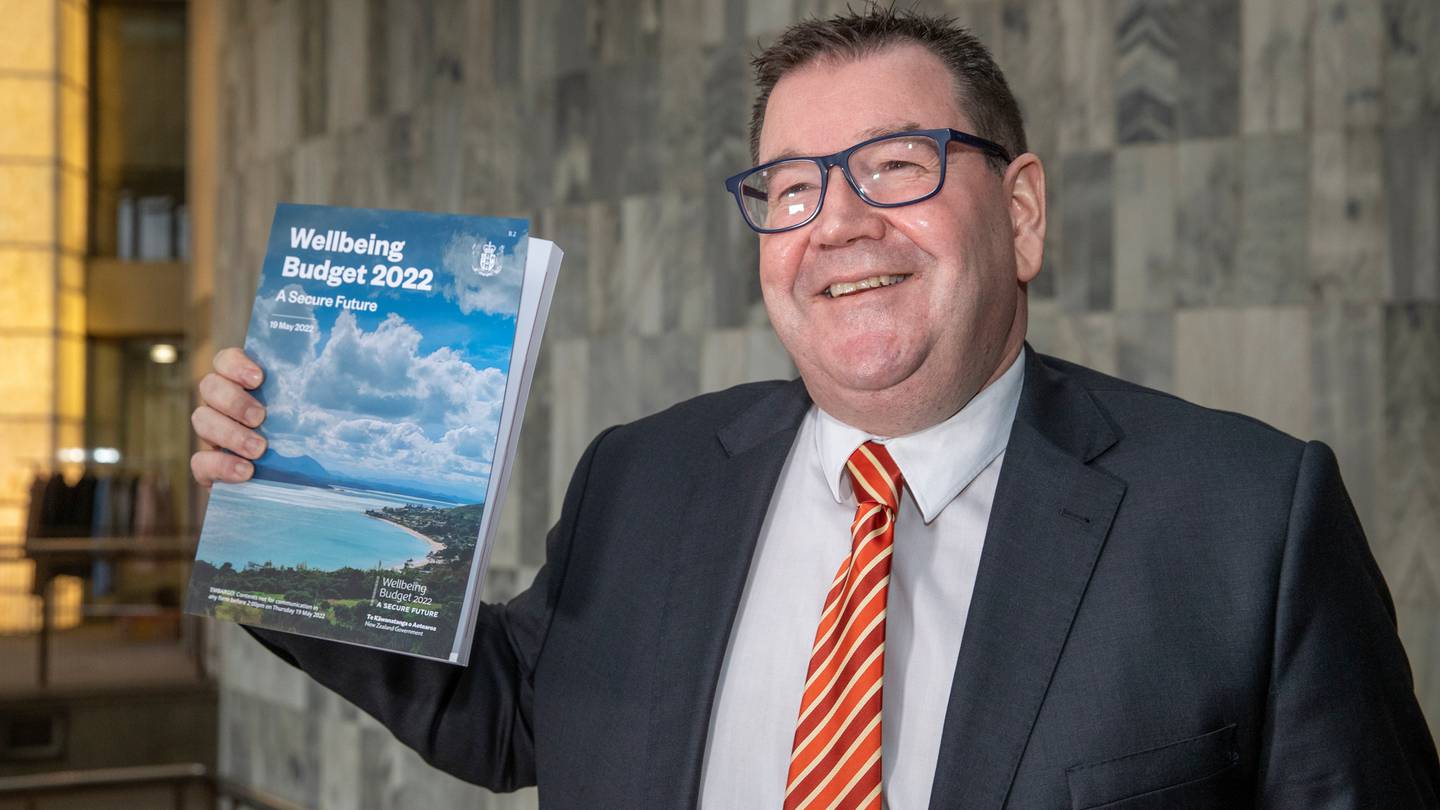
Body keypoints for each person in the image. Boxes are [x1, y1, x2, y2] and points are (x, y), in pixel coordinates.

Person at [190, 8, 1440, 808]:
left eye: (896, 166)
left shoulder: (1248, 521)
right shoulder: (645, 474)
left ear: (1020, 215)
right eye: (789, 188)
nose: (837, 222)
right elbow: (512, 710)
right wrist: (275, 503)